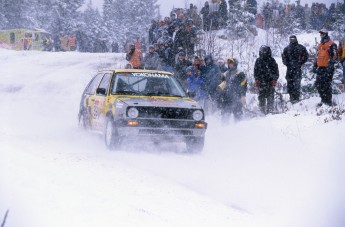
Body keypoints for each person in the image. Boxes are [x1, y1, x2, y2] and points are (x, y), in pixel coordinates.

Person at [312, 28, 338, 106]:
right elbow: (317, 56)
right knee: (318, 84)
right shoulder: (320, 45)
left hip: (328, 68)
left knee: (326, 85)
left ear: (326, 34)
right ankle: (323, 100)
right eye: (321, 34)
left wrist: (330, 66)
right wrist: (314, 65)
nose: (321, 35)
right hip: (320, 68)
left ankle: (328, 102)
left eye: (323, 34)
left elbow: (334, 56)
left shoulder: (331, 44)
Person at [282, 35, 309, 103]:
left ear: (296, 39)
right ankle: (291, 98)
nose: (292, 40)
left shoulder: (301, 47)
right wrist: (287, 63)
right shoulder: (287, 48)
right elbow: (283, 57)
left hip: (297, 69)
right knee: (290, 84)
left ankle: (296, 99)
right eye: (290, 39)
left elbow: (306, 56)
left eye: (293, 39)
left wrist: (300, 63)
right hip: (289, 69)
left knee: (297, 84)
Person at [254, 45, 279, 114]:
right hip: (261, 83)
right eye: (262, 51)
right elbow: (255, 71)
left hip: (270, 82)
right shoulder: (258, 60)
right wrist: (257, 80)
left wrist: (274, 79)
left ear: (267, 51)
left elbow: (276, 71)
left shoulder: (272, 60)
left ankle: (270, 111)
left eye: (264, 50)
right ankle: (262, 112)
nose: (263, 52)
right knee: (261, 98)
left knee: (270, 97)